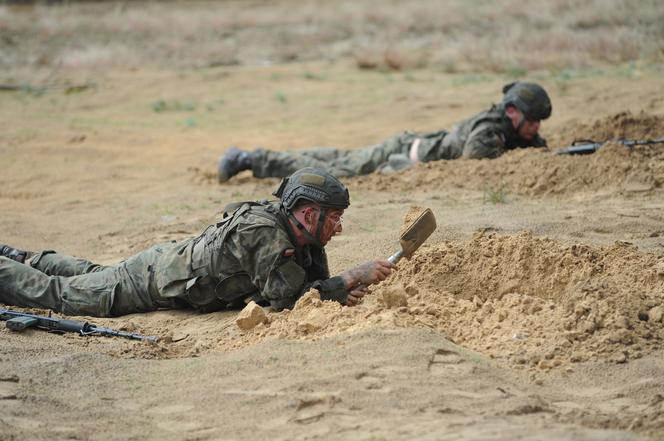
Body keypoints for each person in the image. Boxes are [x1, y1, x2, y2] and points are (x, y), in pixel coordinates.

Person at [0, 168, 395, 317]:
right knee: (64, 296)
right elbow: (288, 300)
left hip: (163, 263)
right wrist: (348, 279)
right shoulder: (263, 233)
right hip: (153, 281)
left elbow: (310, 286)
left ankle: (22, 256)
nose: (339, 228)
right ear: (310, 214)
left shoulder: (302, 233)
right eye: (335, 219)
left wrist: (336, 291)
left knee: (95, 275)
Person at [217, 81, 552, 181]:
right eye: (532, 120)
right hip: (404, 153)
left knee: (340, 158)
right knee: (336, 169)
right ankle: (248, 159)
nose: (536, 128)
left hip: (408, 145)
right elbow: (474, 163)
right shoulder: (490, 130)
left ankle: (253, 157)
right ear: (511, 112)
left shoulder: (509, 128)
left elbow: (534, 146)